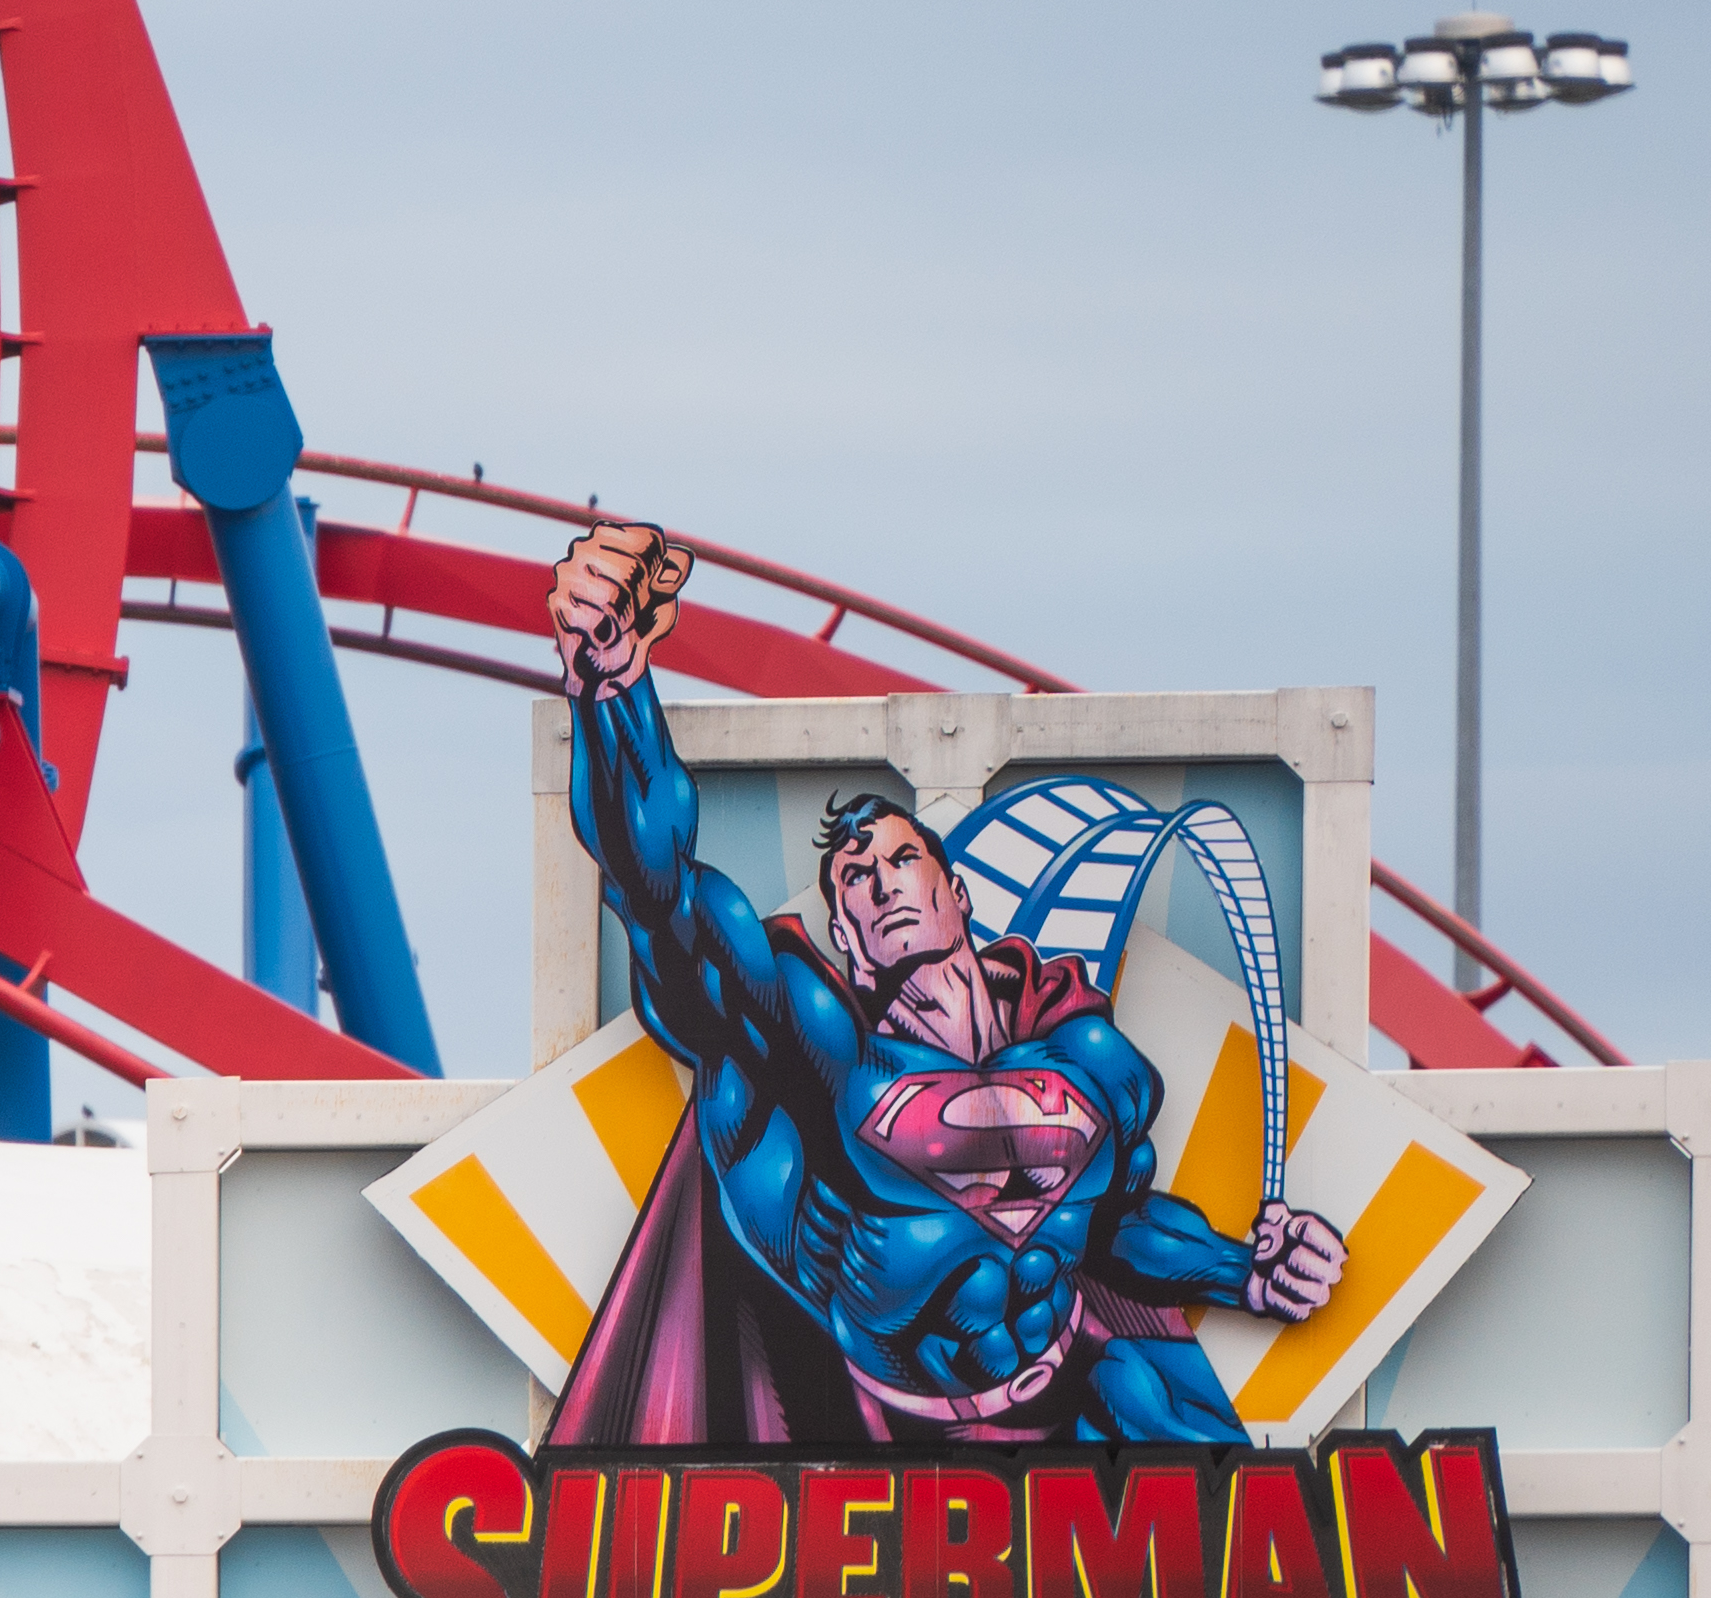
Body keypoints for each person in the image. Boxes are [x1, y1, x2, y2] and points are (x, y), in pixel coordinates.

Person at [537, 518, 1341, 1450]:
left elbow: (1113, 1226)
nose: (880, 883)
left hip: (1075, 1408)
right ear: (847, 936)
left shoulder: (1085, 1057)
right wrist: (613, 688)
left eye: (899, 860)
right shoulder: (822, 1057)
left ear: (956, 895)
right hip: (883, 1449)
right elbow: (662, 898)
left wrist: (1245, 1273)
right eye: (854, 879)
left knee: (1185, 1442)